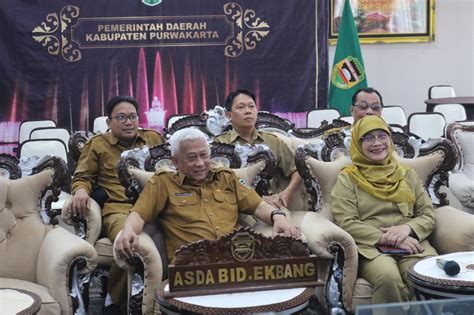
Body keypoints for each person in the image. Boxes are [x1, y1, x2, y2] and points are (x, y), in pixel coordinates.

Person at [115, 128, 301, 264]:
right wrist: (129, 230)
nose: (200, 163)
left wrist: (278, 216)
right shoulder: (162, 182)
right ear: (176, 161)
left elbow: (258, 205)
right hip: (193, 264)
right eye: (192, 158)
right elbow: (139, 214)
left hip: (236, 258)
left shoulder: (226, 177)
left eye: (204, 155)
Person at [69, 95, 165, 312]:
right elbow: (82, 176)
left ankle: (166, 296)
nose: (128, 122)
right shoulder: (98, 144)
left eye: (132, 116)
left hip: (155, 207)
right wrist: (81, 191)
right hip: (119, 208)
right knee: (130, 239)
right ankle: (116, 298)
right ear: (108, 122)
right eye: (121, 117)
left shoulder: (153, 139)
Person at [330, 116, 437, 304]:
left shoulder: (407, 174)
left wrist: (407, 229)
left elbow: (427, 214)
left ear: (391, 140)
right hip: (371, 247)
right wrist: (388, 238)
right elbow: (346, 221)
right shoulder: (348, 178)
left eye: (382, 136)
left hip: (412, 243)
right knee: (388, 278)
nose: (377, 143)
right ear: (357, 143)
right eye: (368, 138)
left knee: (426, 274)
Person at [214, 89, 302, 208]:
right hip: (234, 207)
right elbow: (216, 182)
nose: (248, 111)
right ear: (229, 115)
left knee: (287, 224)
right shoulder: (220, 144)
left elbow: (298, 168)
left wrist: (287, 193)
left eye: (251, 106)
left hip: (270, 205)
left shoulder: (272, 141)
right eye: (241, 107)